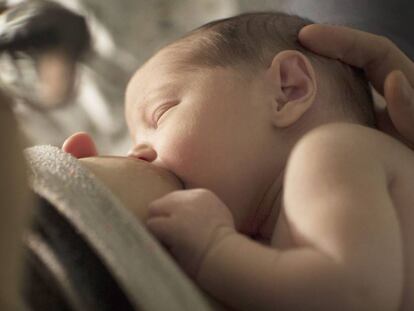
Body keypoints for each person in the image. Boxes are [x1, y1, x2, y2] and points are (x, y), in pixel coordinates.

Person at [63, 12, 414, 311]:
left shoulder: (332, 152)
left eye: (161, 113)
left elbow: (353, 294)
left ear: (286, 90)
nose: (135, 154)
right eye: (135, 141)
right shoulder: (267, 243)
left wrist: (215, 249)